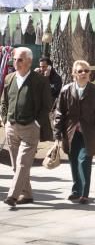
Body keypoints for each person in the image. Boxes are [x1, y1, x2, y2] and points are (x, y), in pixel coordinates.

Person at [1, 47, 53, 206]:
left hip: (30, 128)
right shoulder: (9, 78)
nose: (16, 62)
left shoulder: (40, 81)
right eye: (15, 59)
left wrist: (37, 123)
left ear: (29, 62)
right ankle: (28, 194)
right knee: (16, 165)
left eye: (20, 59)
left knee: (23, 163)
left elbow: (47, 105)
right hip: (11, 127)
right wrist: (5, 119)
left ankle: (13, 195)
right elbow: (4, 101)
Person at [54, 60, 95, 203]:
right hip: (71, 133)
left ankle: (84, 193)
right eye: (80, 71)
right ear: (74, 74)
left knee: (84, 160)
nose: (84, 73)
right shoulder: (66, 90)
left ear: (90, 73)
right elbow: (59, 112)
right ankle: (76, 190)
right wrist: (58, 134)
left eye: (86, 70)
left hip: (89, 133)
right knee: (73, 161)